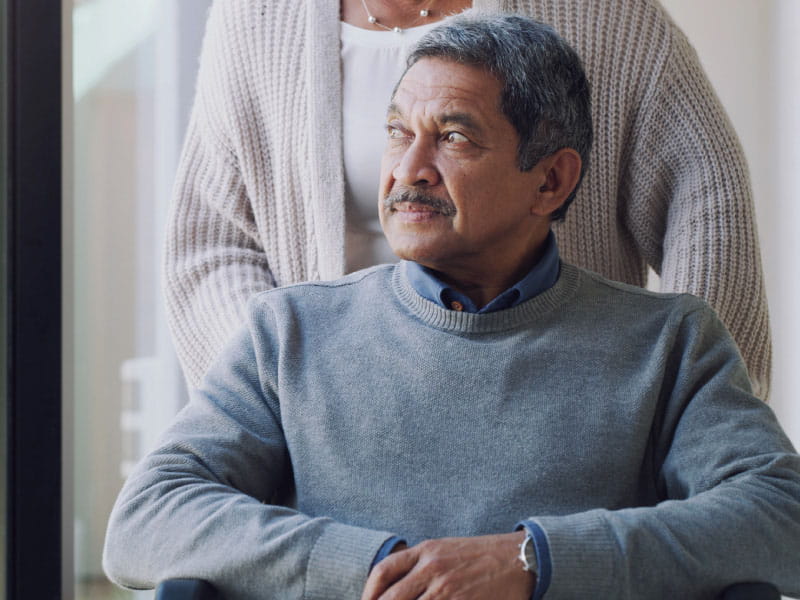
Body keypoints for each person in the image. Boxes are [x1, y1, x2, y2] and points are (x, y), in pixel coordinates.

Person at [105, 13, 799, 599]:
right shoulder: (288, 332)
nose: (408, 172)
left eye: (454, 136)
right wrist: (377, 567)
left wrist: (534, 562)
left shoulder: (669, 341)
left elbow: (781, 516)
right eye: (398, 132)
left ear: (551, 180)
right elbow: (146, 520)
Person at [164, 0, 771, 399]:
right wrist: (286, 394)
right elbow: (212, 243)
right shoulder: (257, 18)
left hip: (557, 425)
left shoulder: (602, 14)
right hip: (327, 432)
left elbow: (709, 211)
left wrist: (675, 408)